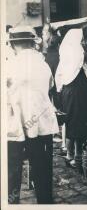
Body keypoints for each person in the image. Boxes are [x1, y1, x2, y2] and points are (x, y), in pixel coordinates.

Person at [7, 26, 59, 204]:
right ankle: (45, 202)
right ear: (32, 43)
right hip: (40, 124)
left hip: (14, 125)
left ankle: (11, 203)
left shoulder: (9, 64)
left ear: (13, 45)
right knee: (42, 169)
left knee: (11, 171)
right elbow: (51, 87)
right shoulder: (42, 64)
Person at [55, 26, 87, 168]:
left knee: (81, 124)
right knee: (72, 124)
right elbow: (73, 67)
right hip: (73, 93)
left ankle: (78, 154)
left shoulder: (82, 53)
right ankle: (70, 155)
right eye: (86, 39)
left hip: (82, 93)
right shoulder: (74, 54)